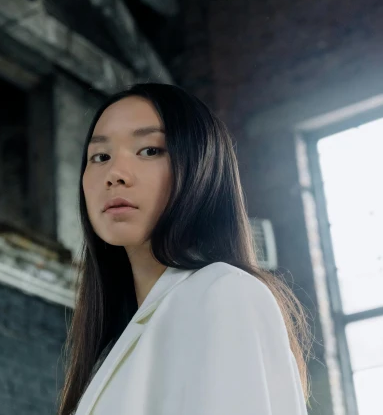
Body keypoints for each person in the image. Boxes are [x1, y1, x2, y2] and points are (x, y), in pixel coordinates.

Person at [58, 83, 311, 415]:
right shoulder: (114, 348)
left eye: (149, 150)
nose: (114, 174)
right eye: (100, 156)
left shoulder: (225, 292)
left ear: (202, 168)